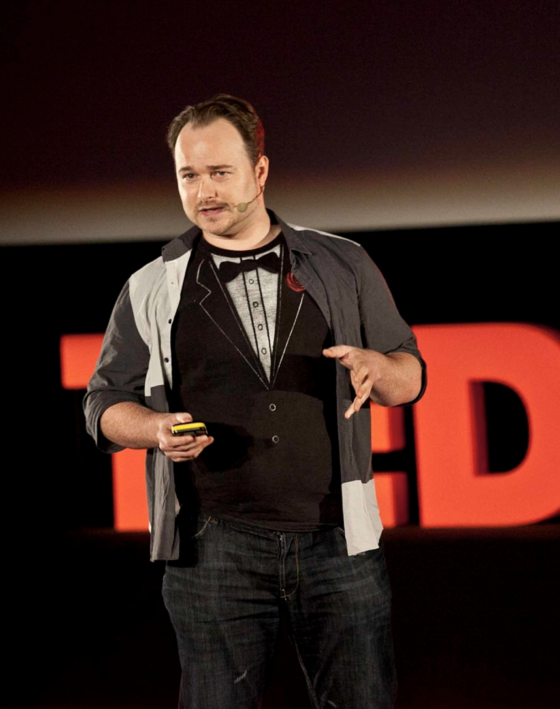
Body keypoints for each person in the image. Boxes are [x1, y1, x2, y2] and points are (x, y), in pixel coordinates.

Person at [84, 94, 425, 708]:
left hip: (339, 540)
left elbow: (410, 377)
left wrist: (380, 368)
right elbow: (103, 404)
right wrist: (155, 429)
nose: (204, 191)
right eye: (189, 175)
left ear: (260, 171)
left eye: (220, 172)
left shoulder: (343, 263)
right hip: (211, 547)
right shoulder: (151, 285)